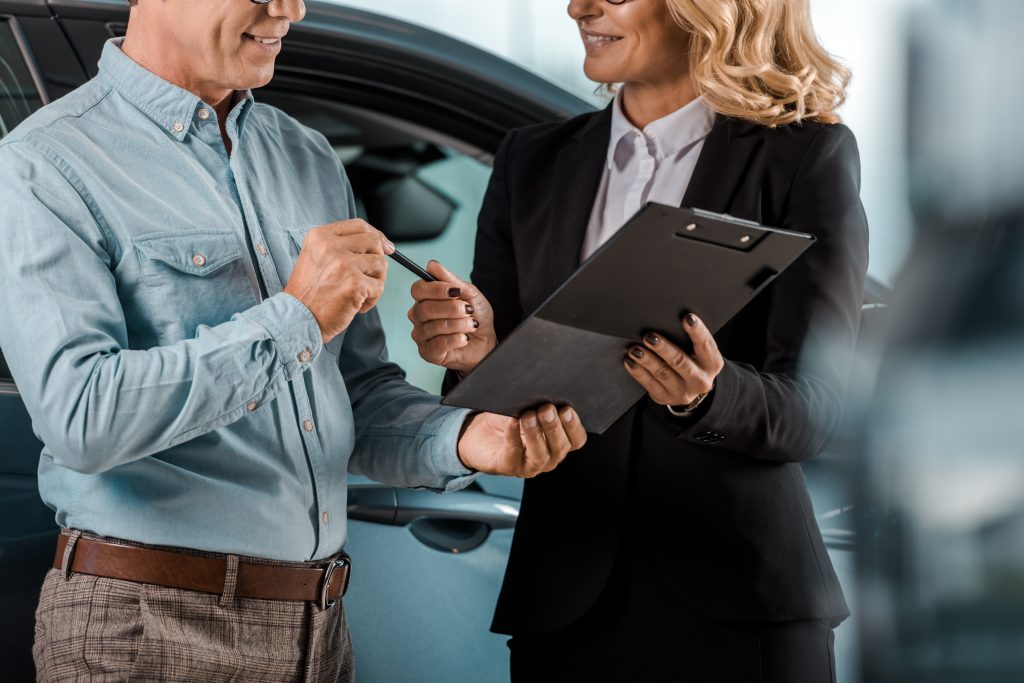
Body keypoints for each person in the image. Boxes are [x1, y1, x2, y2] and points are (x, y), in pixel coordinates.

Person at [0, 1, 587, 681]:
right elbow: (82, 418)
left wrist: (465, 439)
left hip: (317, 628)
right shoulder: (46, 164)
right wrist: (297, 315)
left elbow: (359, 393)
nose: (290, 9)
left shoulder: (306, 157)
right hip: (144, 630)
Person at [408, 0, 869, 680]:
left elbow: (819, 407)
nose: (578, 7)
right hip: (564, 607)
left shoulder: (802, 156)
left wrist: (708, 397)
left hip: (743, 609)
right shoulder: (530, 162)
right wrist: (474, 354)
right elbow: (496, 398)